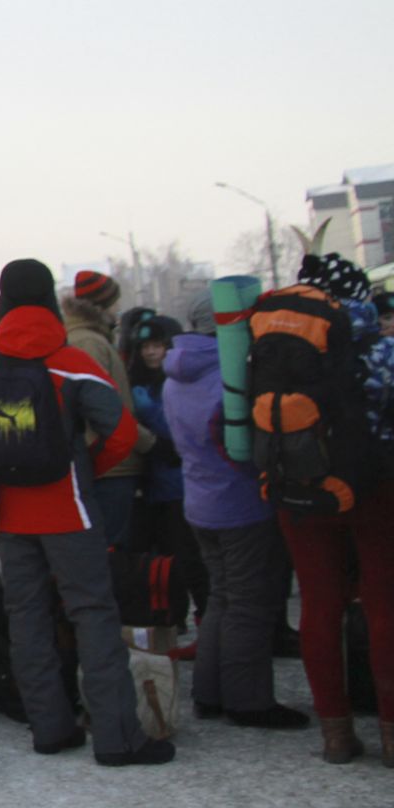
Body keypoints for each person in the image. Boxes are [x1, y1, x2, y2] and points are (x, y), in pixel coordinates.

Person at [0, 259, 171, 766]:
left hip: (8, 518)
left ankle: (50, 729)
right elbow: (123, 433)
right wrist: (87, 468)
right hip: (70, 511)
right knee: (94, 617)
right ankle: (117, 738)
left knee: (27, 620)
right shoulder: (70, 361)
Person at [266, 253, 394, 765]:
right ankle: (390, 735)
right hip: (376, 488)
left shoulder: (272, 346)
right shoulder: (380, 350)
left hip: (299, 491)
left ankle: (336, 735)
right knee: (384, 605)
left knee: (320, 606)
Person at [162, 295, 307, 728]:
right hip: (239, 503)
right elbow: (244, 449)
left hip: (199, 501)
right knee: (248, 604)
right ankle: (249, 702)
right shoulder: (229, 380)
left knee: (221, 597)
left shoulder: (175, 376)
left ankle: (209, 693)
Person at [63, 270, 158, 548]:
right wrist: (149, 444)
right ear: (101, 305)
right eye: (114, 302)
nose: (118, 308)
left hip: (109, 460)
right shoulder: (89, 342)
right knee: (112, 547)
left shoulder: (90, 337)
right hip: (110, 462)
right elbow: (103, 408)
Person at [128, 315, 208, 630]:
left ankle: (203, 615)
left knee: (190, 556)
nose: (151, 353)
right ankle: (172, 617)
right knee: (161, 558)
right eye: (145, 346)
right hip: (150, 482)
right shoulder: (134, 384)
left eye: (157, 346)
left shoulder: (183, 380)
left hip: (181, 482)